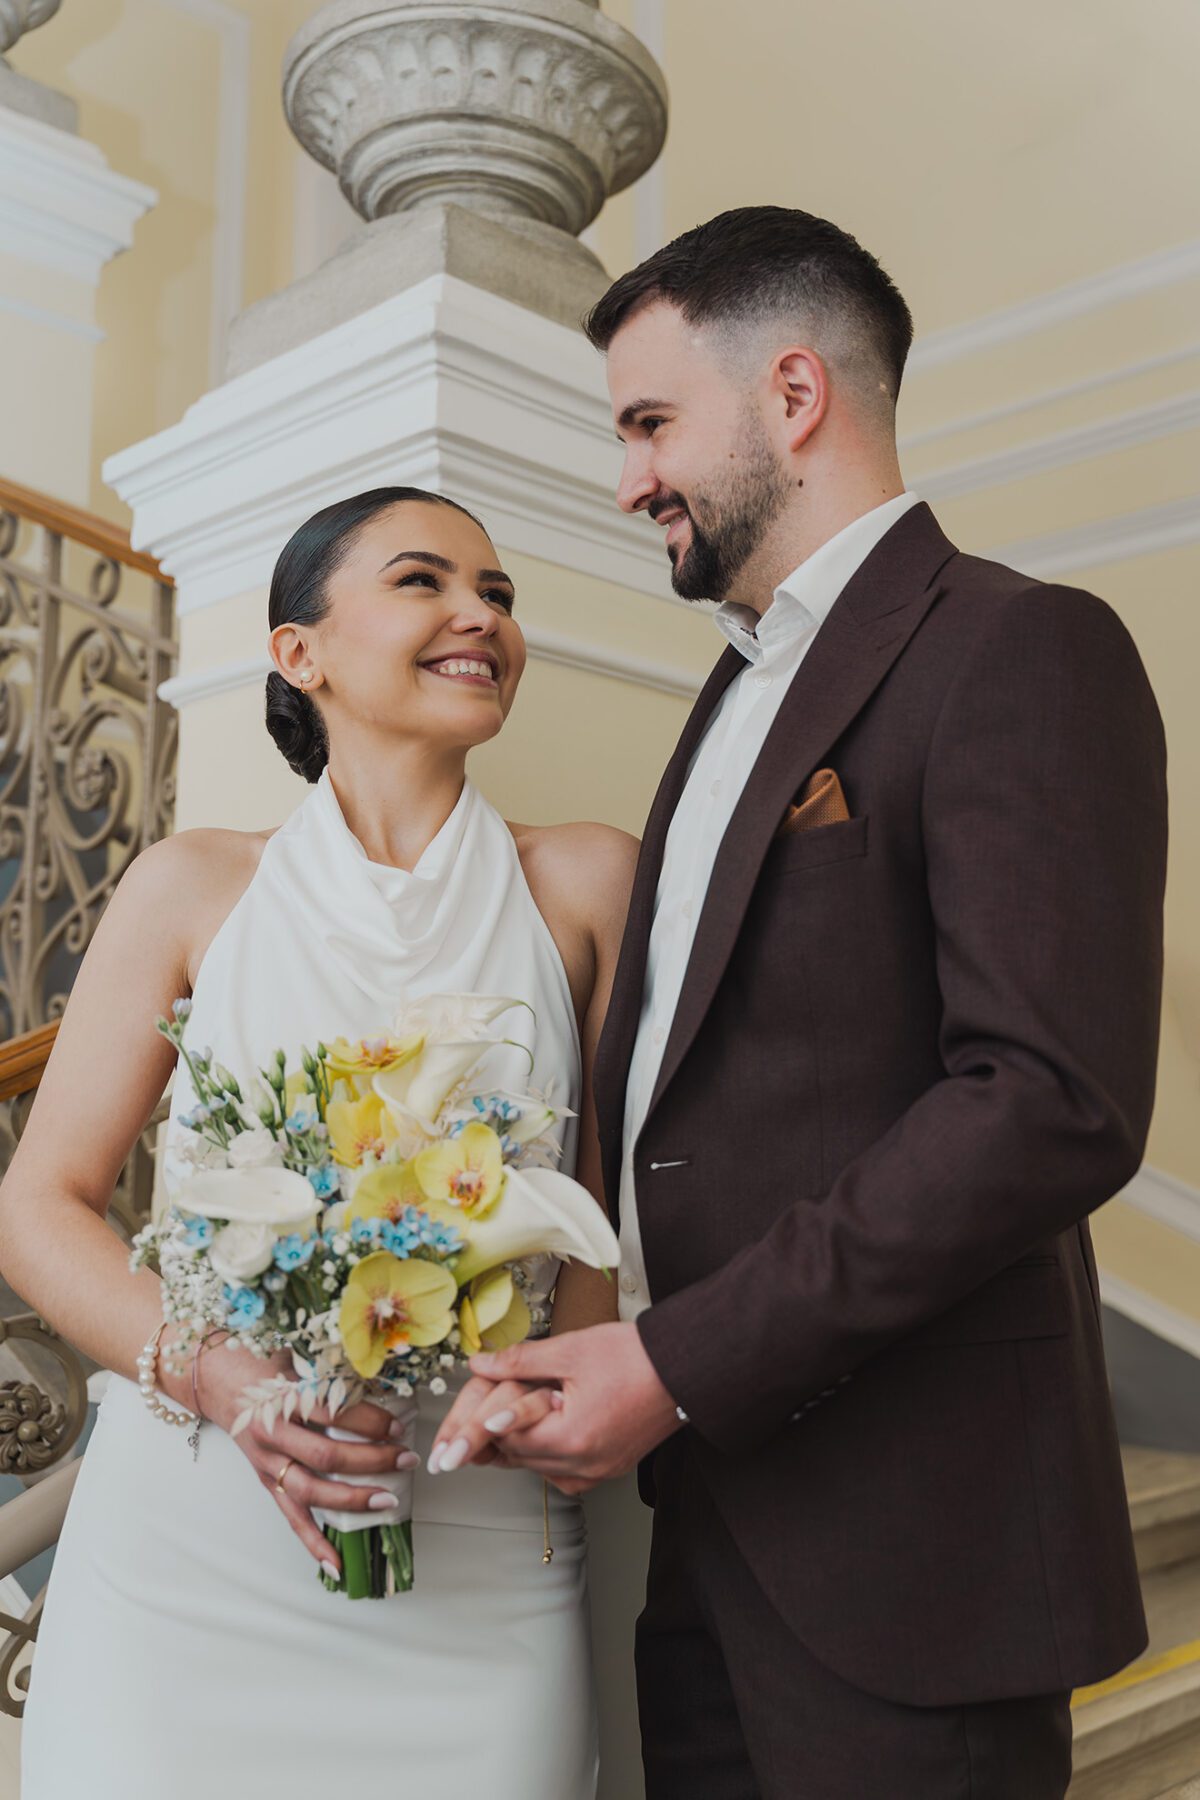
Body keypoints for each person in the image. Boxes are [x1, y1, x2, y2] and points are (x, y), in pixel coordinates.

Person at [435, 207, 1168, 1798]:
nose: (627, 478)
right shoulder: (731, 688)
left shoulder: (1023, 648)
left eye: (647, 424)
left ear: (790, 394)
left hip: (914, 1549)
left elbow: (1050, 1101)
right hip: (710, 1523)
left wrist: (681, 1358)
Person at [0, 486, 636, 1799]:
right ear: (300, 651)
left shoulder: (585, 883)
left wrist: (551, 1394)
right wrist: (223, 1380)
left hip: (479, 1546)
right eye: (425, 581)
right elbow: (40, 1203)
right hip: (188, 1551)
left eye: (500, 594)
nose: (480, 614)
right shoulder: (189, 886)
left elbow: (612, 1205)